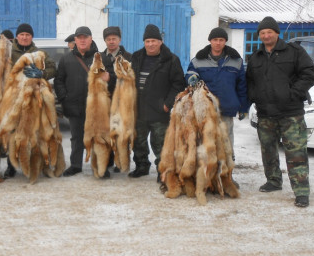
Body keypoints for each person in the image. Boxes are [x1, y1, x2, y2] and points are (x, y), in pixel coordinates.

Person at [246, 16, 314, 207]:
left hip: (290, 112)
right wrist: (254, 96)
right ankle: (273, 181)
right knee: (268, 150)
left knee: (296, 153)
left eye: (270, 32)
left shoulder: (294, 52)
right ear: (259, 36)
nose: (266, 35)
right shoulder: (256, 56)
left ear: (277, 33)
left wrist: (293, 93)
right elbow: (250, 80)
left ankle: (301, 191)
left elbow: (310, 73)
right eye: (263, 33)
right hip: (265, 113)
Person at [185, 27, 249, 186]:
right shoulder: (198, 60)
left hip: (226, 110)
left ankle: (227, 177)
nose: (218, 43)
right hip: (205, 111)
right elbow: (189, 74)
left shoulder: (236, 60)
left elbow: (242, 85)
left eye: (221, 40)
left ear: (225, 41)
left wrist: (243, 107)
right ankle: (205, 178)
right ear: (210, 41)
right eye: (215, 40)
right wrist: (192, 78)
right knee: (204, 144)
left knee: (226, 145)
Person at [0, 23, 57, 178]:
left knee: (37, 132)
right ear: (17, 37)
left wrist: (42, 73)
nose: (24, 37)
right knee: (13, 133)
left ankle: (39, 164)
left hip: (34, 99)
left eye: (28, 35)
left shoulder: (40, 52)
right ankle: (11, 165)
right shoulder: (9, 53)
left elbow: (53, 68)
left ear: (32, 37)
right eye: (22, 34)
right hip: (13, 100)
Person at [129, 24, 186, 183]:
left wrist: (167, 104)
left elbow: (178, 84)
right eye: (147, 41)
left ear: (160, 41)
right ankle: (141, 166)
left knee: (161, 144)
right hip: (138, 107)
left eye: (154, 40)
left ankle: (164, 172)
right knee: (138, 141)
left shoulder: (171, 59)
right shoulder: (136, 57)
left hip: (159, 110)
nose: (151, 44)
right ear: (144, 42)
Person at [54, 26, 107, 177]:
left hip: (96, 107)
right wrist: (65, 97)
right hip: (74, 105)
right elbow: (59, 80)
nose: (82, 40)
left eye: (85, 37)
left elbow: (111, 79)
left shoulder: (100, 58)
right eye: (79, 38)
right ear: (75, 40)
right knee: (76, 137)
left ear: (91, 39)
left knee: (98, 137)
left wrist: (108, 79)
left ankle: (98, 167)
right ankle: (76, 165)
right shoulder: (66, 59)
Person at [100, 26, 132, 173]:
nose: (111, 41)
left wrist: (110, 78)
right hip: (105, 101)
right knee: (106, 131)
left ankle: (121, 161)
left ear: (119, 39)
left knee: (121, 132)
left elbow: (130, 78)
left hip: (122, 101)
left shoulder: (128, 57)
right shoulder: (100, 57)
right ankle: (108, 160)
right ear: (105, 41)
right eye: (108, 39)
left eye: (114, 38)